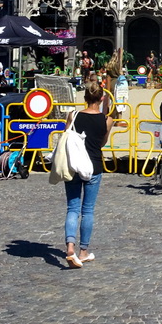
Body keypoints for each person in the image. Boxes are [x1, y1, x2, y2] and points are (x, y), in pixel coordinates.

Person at [64, 80, 114, 269]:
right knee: (88, 210)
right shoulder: (107, 120)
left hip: (74, 166)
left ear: (84, 97)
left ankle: (70, 246)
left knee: (72, 208)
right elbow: (101, 143)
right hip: (93, 166)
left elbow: (66, 137)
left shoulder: (73, 115)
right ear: (101, 99)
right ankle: (83, 251)